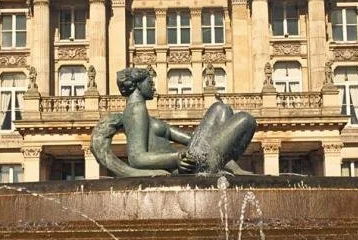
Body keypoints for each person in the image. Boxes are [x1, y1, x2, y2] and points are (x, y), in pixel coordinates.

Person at [91, 67, 256, 176]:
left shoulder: (142, 111)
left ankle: (223, 164)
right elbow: (137, 158)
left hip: (194, 157)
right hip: (191, 166)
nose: (153, 87)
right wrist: (176, 158)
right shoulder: (135, 110)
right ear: (138, 85)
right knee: (246, 119)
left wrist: (216, 145)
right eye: (150, 82)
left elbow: (187, 138)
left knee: (220, 108)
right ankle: (217, 166)